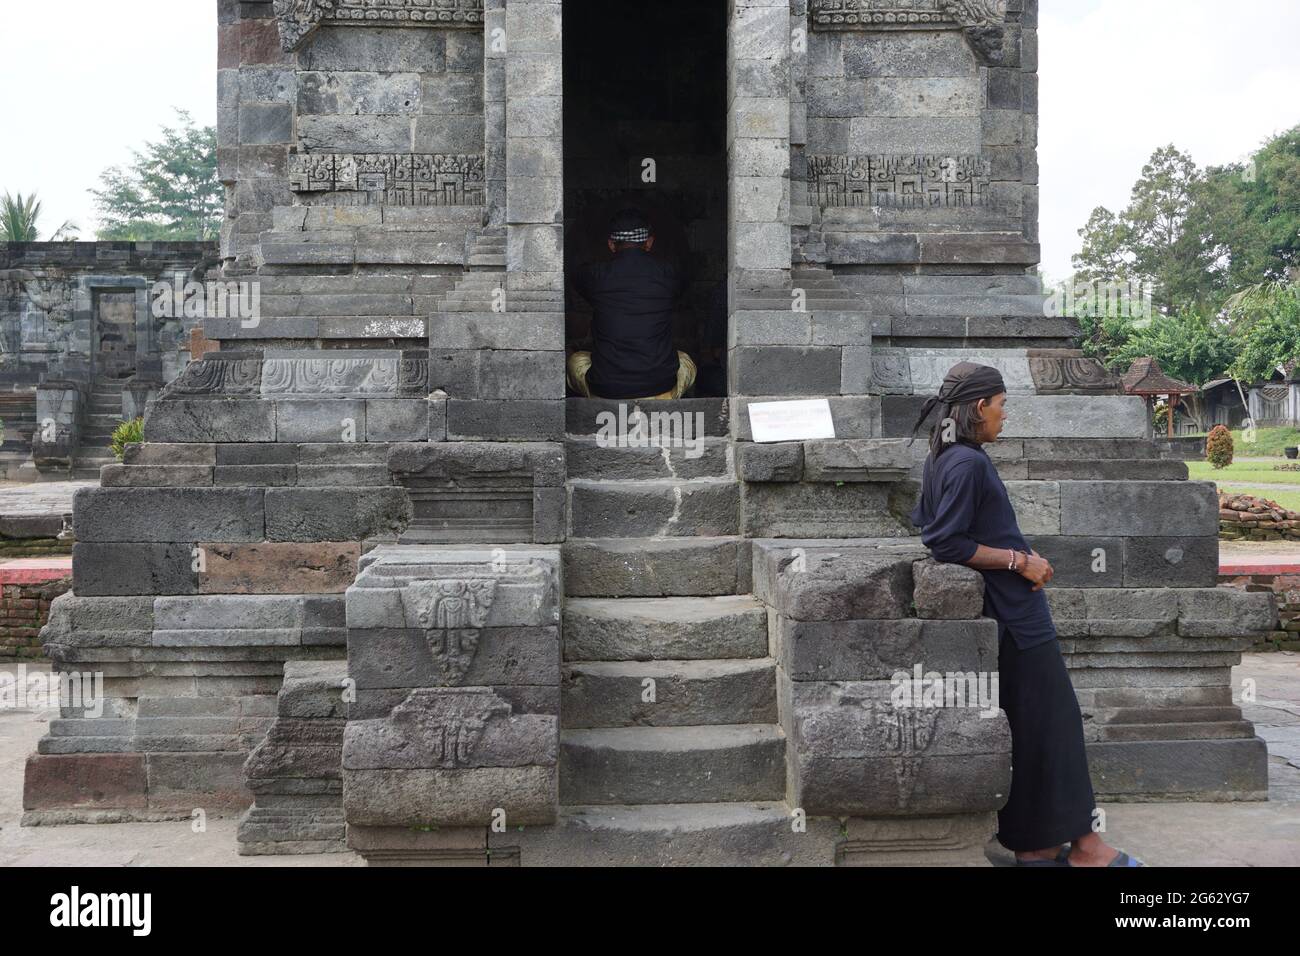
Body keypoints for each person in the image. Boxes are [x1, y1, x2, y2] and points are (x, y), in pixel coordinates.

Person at [908, 361, 1146, 868]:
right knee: (1057, 727)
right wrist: (1021, 560)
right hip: (1016, 616)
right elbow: (946, 541)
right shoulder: (967, 463)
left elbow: (930, 526)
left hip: (1008, 614)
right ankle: (1087, 850)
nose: (1005, 414)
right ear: (979, 407)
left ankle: (1036, 847)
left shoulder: (943, 457)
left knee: (1034, 729)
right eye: (1000, 404)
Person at [568, 209, 696, 400]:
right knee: (685, 362)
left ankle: (586, 416)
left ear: (611, 245)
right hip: (660, 387)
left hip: (606, 389)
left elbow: (577, 276)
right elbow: (684, 282)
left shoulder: (594, 276)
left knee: (575, 360)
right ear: (649, 243)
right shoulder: (669, 274)